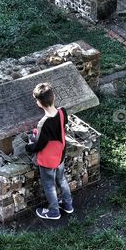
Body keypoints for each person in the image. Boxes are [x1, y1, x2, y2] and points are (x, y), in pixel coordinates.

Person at [25, 82, 74, 220]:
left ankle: (54, 211)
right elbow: (62, 125)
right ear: (53, 97)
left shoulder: (43, 123)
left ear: (39, 103)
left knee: (49, 185)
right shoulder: (62, 111)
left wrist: (29, 147)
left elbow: (39, 145)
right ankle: (68, 204)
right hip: (60, 154)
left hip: (48, 160)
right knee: (61, 179)